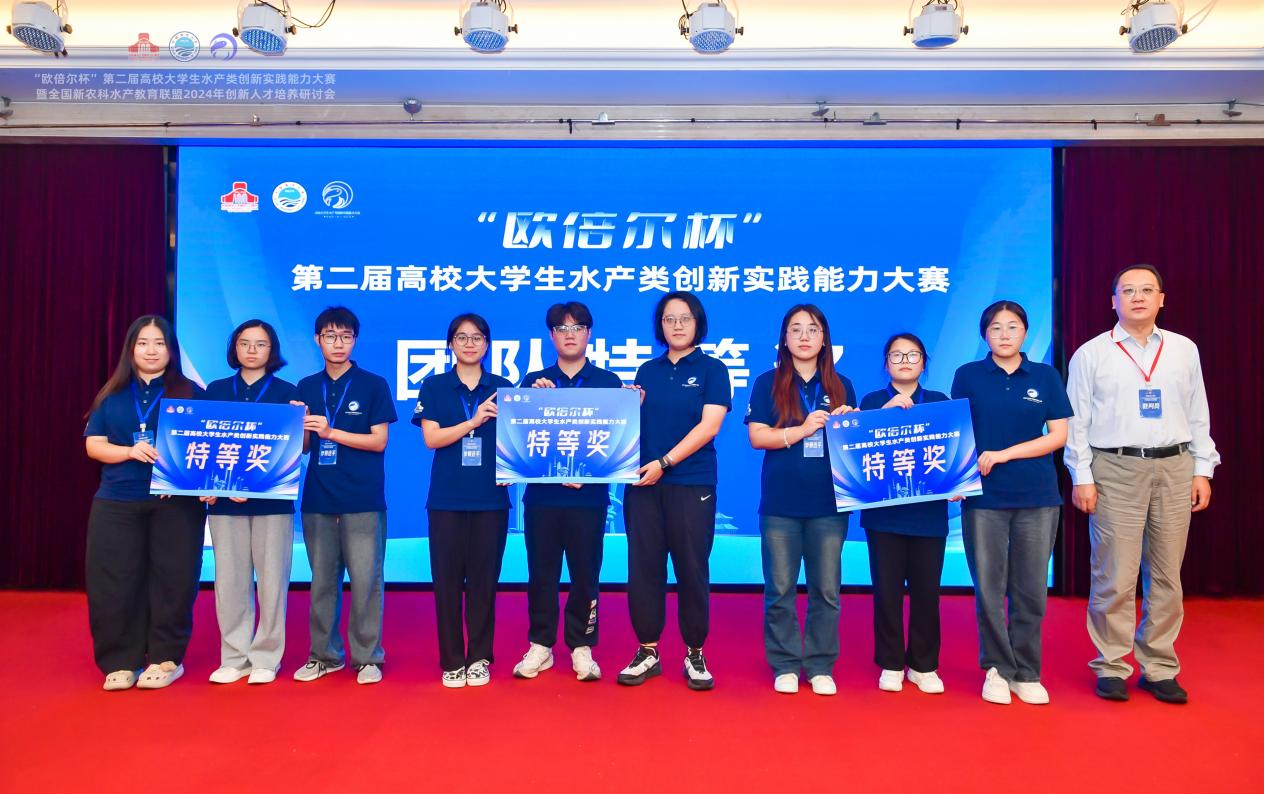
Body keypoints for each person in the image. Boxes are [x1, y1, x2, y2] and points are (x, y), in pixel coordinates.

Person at [1065, 264, 1219, 705]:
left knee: (1167, 574)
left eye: (1147, 290)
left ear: (1161, 300)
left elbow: (1198, 413)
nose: (1138, 297)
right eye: (1128, 291)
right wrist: (1081, 475)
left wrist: (1202, 469)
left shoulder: (1183, 349)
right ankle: (1112, 664)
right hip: (1115, 468)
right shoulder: (1091, 354)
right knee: (1114, 574)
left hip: (1175, 466)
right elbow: (1077, 422)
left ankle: (1159, 666)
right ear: (1112, 301)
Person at [951, 300, 1072, 706]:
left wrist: (1004, 454)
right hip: (983, 497)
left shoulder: (1045, 376)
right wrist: (955, 478)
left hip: (1037, 495)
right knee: (988, 588)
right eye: (996, 328)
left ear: (1025, 331)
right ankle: (998, 669)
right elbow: (957, 432)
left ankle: (1027, 671)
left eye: (1013, 326)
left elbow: (1058, 436)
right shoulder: (968, 375)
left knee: (1031, 588)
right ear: (985, 335)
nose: (1004, 334)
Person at [83, 314, 204, 691]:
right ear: (131, 349)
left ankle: (167, 658)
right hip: (118, 501)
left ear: (172, 350)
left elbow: (208, 447)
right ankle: (121, 660)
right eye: (143, 343)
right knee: (114, 581)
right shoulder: (112, 394)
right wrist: (128, 452)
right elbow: (93, 445)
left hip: (176, 505)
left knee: (174, 580)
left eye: (160, 343)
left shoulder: (191, 393)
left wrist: (185, 481)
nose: (151, 351)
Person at [618, 291, 731, 691]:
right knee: (644, 569)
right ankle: (647, 651)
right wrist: (627, 406)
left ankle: (695, 652)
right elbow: (630, 426)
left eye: (685, 318)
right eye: (669, 319)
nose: (677, 325)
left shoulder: (713, 369)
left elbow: (709, 427)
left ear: (698, 323)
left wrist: (664, 463)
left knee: (691, 569)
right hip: (643, 485)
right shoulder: (647, 371)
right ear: (660, 326)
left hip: (691, 483)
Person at [745, 304, 854, 696]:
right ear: (785, 338)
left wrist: (851, 425)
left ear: (824, 339)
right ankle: (786, 664)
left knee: (827, 590)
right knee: (780, 589)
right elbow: (757, 437)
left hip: (829, 504)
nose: (805, 336)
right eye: (796, 329)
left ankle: (821, 665)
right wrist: (801, 429)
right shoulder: (767, 382)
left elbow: (851, 445)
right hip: (781, 504)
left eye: (813, 329)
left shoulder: (841, 385)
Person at [511, 302, 623, 683]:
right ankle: (540, 644)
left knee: (585, 574)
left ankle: (581, 645)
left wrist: (591, 474)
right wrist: (534, 400)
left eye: (577, 327)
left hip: (588, 499)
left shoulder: (608, 383)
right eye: (561, 328)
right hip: (542, 499)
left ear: (589, 333)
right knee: (540, 573)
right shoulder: (534, 382)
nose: (569, 334)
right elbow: (520, 440)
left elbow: (617, 442)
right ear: (551, 336)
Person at [293, 306, 397, 685]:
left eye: (346, 336)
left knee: (366, 582)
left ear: (355, 340)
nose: (338, 343)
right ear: (317, 340)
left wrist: (331, 432)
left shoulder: (373, 384)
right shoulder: (306, 386)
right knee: (322, 582)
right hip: (318, 499)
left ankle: (368, 657)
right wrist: (295, 426)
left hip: (362, 498)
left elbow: (379, 441)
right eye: (330, 336)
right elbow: (304, 448)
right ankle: (324, 655)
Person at [414, 313, 513, 688]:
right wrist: (473, 422)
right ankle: (453, 660)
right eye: (461, 337)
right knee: (447, 584)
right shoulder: (435, 386)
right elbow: (432, 439)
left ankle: (480, 657)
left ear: (487, 344)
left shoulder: (503, 388)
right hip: (447, 499)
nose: (470, 344)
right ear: (450, 343)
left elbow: (518, 440)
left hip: (491, 499)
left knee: (485, 584)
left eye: (477, 338)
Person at [200, 320, 301, 686]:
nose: (252, 350)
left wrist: (301, 422)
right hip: (225, 502)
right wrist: (207, 485)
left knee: (272, 583)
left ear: (272, 350)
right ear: (235, 348)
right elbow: (204, 443)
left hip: (272, 502)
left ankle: (266, 657)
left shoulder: (287, 393)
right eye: (245, 343)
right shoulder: (215, 390)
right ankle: (234, 657)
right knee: (229, 581)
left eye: (261, 344)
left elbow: (296, 450)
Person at [858, 333, 952, 695]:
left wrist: (959, 480)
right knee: (887, 592)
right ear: (886, 364)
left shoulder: (939, 402)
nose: (905, 361)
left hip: (929, 516)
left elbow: (954, 449)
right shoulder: (871, 401)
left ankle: (924, 665)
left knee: (927, 593)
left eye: (912, 355)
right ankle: (892, 662)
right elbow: (858, 451)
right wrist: (882, 416)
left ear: (924, 362)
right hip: (884, 517)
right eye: (896, 355)